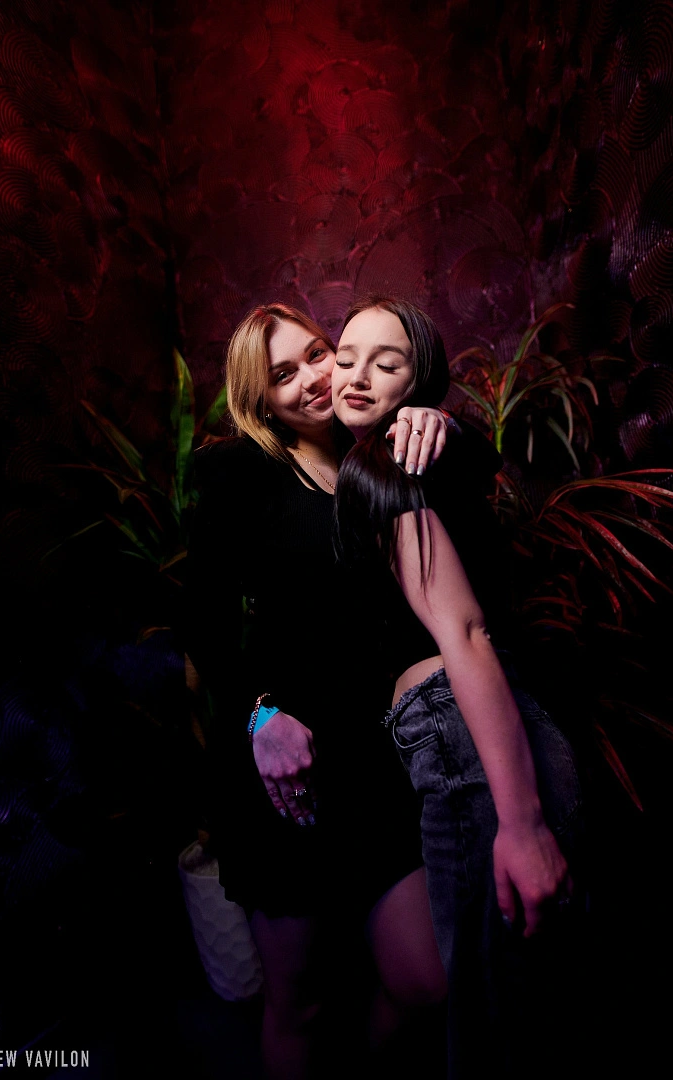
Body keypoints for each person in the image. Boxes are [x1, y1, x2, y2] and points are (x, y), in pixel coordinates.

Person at [184, 303, 454, 1080]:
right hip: (284, 774)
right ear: (260, 399)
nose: (313, 378)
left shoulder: (376, 455)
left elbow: (470, 471)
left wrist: (440, 423)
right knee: (299, 1005)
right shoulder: (242, 473)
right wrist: (261, 717)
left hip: (376, 762)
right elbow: (203, 628)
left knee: (426, 980)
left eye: (317, 353)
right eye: (283, 374)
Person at [332, 296, 584, 1078]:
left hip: (466, 735)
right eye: (345, 356)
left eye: (386, 363)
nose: (357, 376)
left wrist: (521, 824)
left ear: (419, 384)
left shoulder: (388, 462)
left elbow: (463, 631)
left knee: (495, 1027)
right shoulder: (397, 460)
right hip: (502, 722)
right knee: (519, 1000)